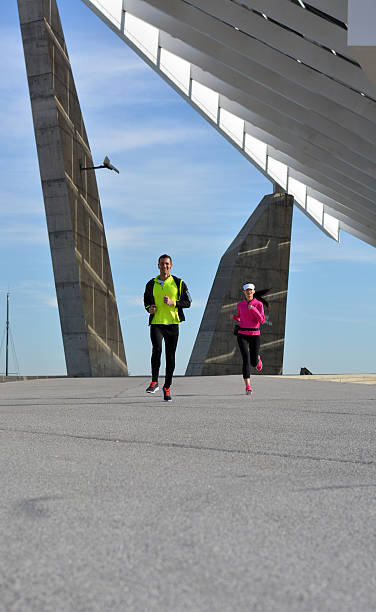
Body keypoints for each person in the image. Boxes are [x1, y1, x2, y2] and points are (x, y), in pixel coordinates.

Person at [143, 254, 191, 401]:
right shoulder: (151, 283)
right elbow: (146, 300)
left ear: (171, 265)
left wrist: (174, 302)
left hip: (172, 324)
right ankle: (154, 381)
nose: (165, 266)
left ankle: (167, 387)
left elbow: (188, 302)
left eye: (167, 264)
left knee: (170, 357)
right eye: (162, 264)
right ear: (158, 265)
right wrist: (148, 308)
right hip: (157, 323)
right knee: (156, 349)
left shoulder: (179, 282)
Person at [230, 283, 268, 395]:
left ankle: (257, 359)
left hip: (254, 334)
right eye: (246, 290)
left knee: (253, 362)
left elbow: (262, 321)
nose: (248, 292)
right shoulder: (240, 304)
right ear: (244, 292)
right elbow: (241, 317)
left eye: (250, 290)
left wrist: (253, 310)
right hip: (242, 334)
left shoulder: (259, 304)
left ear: (254, 291)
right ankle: (248, 386)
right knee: (245, 360)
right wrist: (235, 317)